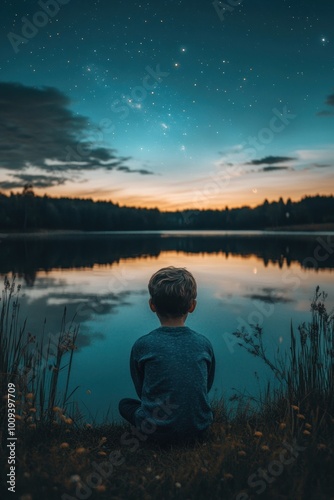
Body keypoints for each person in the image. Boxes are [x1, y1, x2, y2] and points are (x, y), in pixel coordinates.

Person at [118, 266, 215, 444]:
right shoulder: (204, 344)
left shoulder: (143, 345)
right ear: (192, 306)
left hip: (155, 433)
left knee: (124, 405)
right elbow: (206, 385)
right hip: (199, 430)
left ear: (152, 305)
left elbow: (142, 390)